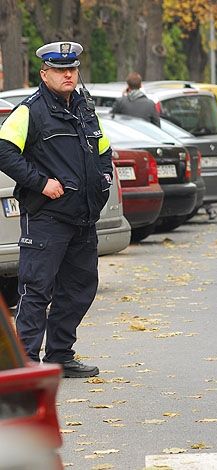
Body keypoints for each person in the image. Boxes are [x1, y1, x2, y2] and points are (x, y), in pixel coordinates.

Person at [0, 41, 112, 378]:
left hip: (83, 217)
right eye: (60, 70)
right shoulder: (30, 111)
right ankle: (27, 365)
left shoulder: (84, 109)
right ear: (44, 73)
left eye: (72, 69)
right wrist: (40, 182)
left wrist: (104, 179)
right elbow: (4, 151)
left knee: (78, 289)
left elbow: (103, 150)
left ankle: (60, 355)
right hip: (47, 218)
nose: (68, 75)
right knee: (36, 290)